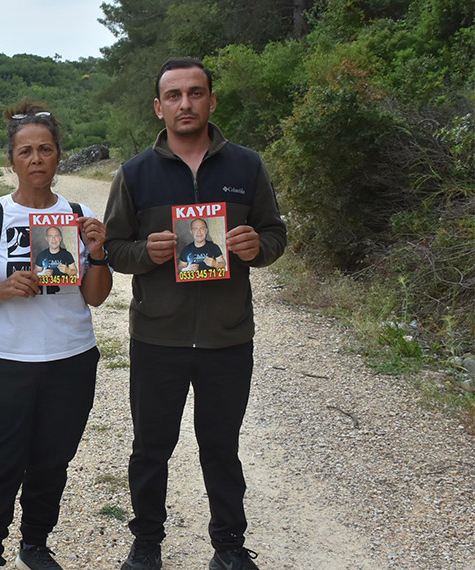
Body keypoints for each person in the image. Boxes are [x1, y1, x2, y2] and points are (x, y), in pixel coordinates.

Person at [103, 57, 287, 570]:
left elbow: (276, 236)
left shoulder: (247, 166)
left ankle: (228, 546)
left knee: (221, 447)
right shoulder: (135, 173)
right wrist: (148, 253)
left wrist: (256, 246)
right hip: (157, 336)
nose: (186, 104)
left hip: (228, 336)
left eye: (196, 93)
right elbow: (114, 249)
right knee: (150, 447)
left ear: (211, 99)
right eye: (175, 96)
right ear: (158, 107)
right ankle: (147, 544)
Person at [0, 101, 113, 570]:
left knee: (51, 462)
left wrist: (98, 253)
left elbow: (96, 297)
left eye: (45, 149)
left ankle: (35, 544)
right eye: (26, 151)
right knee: (0, 463)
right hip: (6, 360)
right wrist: (1, 289)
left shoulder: (79, 217)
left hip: (72, 357)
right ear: (12, 161)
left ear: (59, 156)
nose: (36, 158)